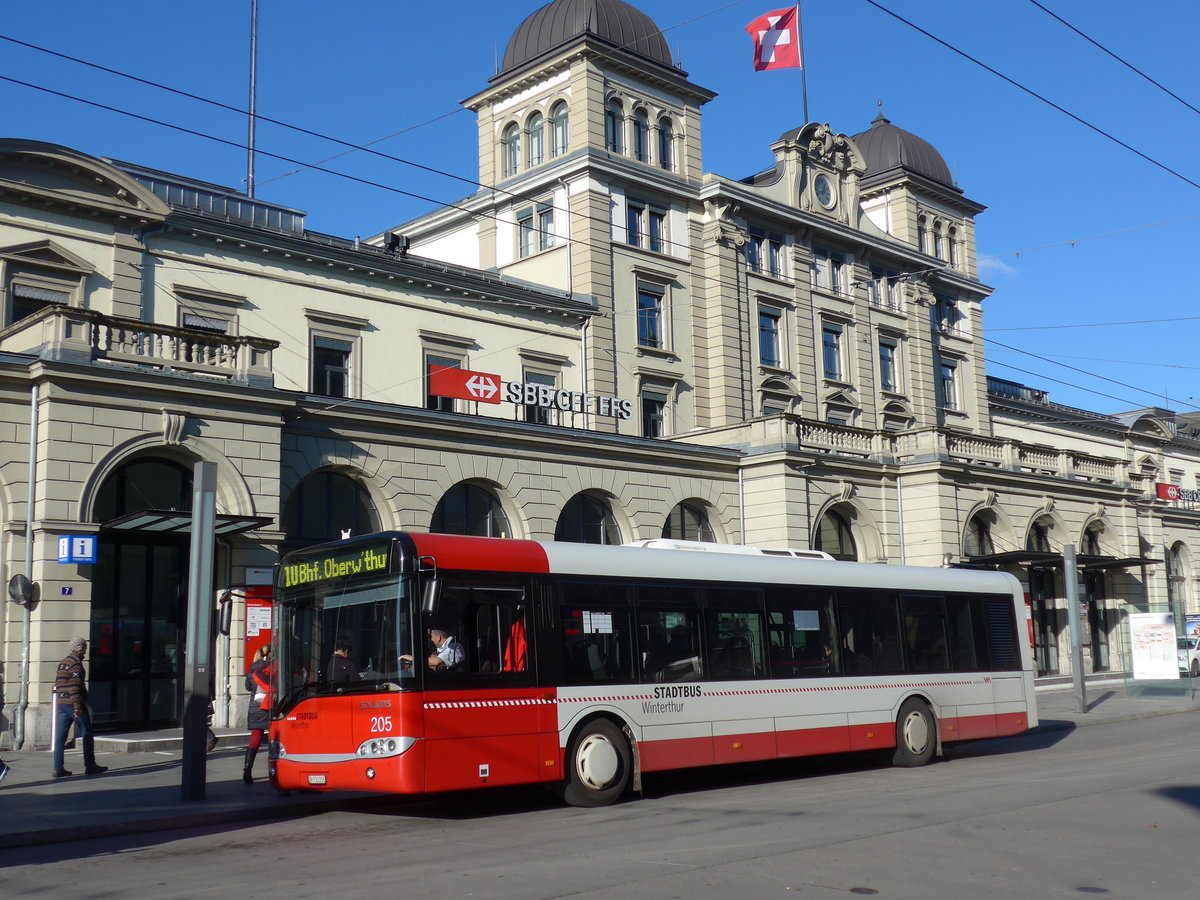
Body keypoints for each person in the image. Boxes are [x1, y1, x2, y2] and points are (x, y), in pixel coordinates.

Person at [53, 637, 107, 778]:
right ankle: (90, 765)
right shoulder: (76, 664)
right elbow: (74, 685)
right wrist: (77, 706)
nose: (85, 650)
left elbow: (58, 683)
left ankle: (58, 767)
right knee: (87, 733)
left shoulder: (63, 662)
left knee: (60, 737)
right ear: (79, 648)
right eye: (85, 647)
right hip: (73, 704)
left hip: (62, 703)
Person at [242, 645, 273, 784]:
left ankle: (247, 771)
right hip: (269, 705)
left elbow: (248, 686)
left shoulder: (254, 667)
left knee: (255, 739)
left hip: (255, 706)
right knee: (275, 739)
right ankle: (274, 770)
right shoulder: (271, 666)